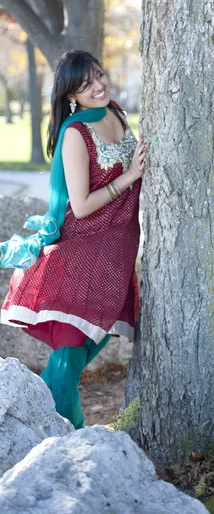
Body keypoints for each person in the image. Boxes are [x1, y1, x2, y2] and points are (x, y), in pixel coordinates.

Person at [0, 50, 147, 428]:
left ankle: (36, 422)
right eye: (86, 84)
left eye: (99, 75)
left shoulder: (115, 111)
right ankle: (60, 437)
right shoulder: (76, 134)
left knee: (85, 345)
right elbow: (80, 206)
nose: (98, 86)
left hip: (116, 251)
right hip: (82, 251)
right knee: (69, 353)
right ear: (72, 96)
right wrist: (129, 178)